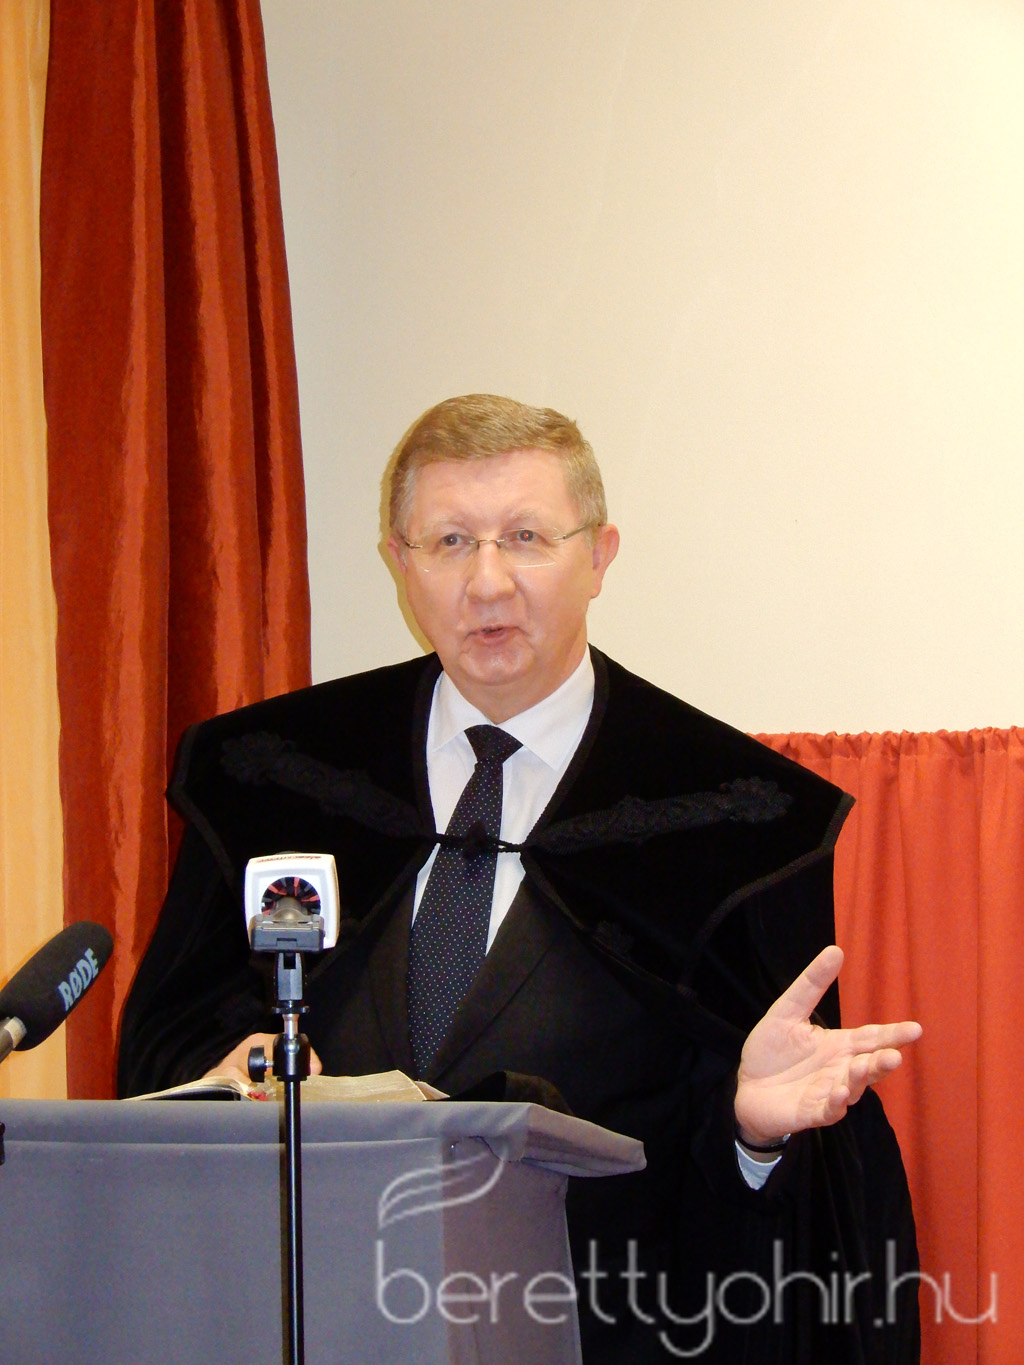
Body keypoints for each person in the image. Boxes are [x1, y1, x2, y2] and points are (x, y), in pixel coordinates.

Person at [119, 394, 921, 1362]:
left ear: (601, 556)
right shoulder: (269, 776)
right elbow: (166, 1047)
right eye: (450, 541)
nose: (487, 582)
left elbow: (785, 1170)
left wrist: (751, 1133)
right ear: (399, 560)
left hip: (596, 1327)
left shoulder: (739, 817)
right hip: (309, 1315)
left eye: (526, 538)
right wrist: (221, 1081)